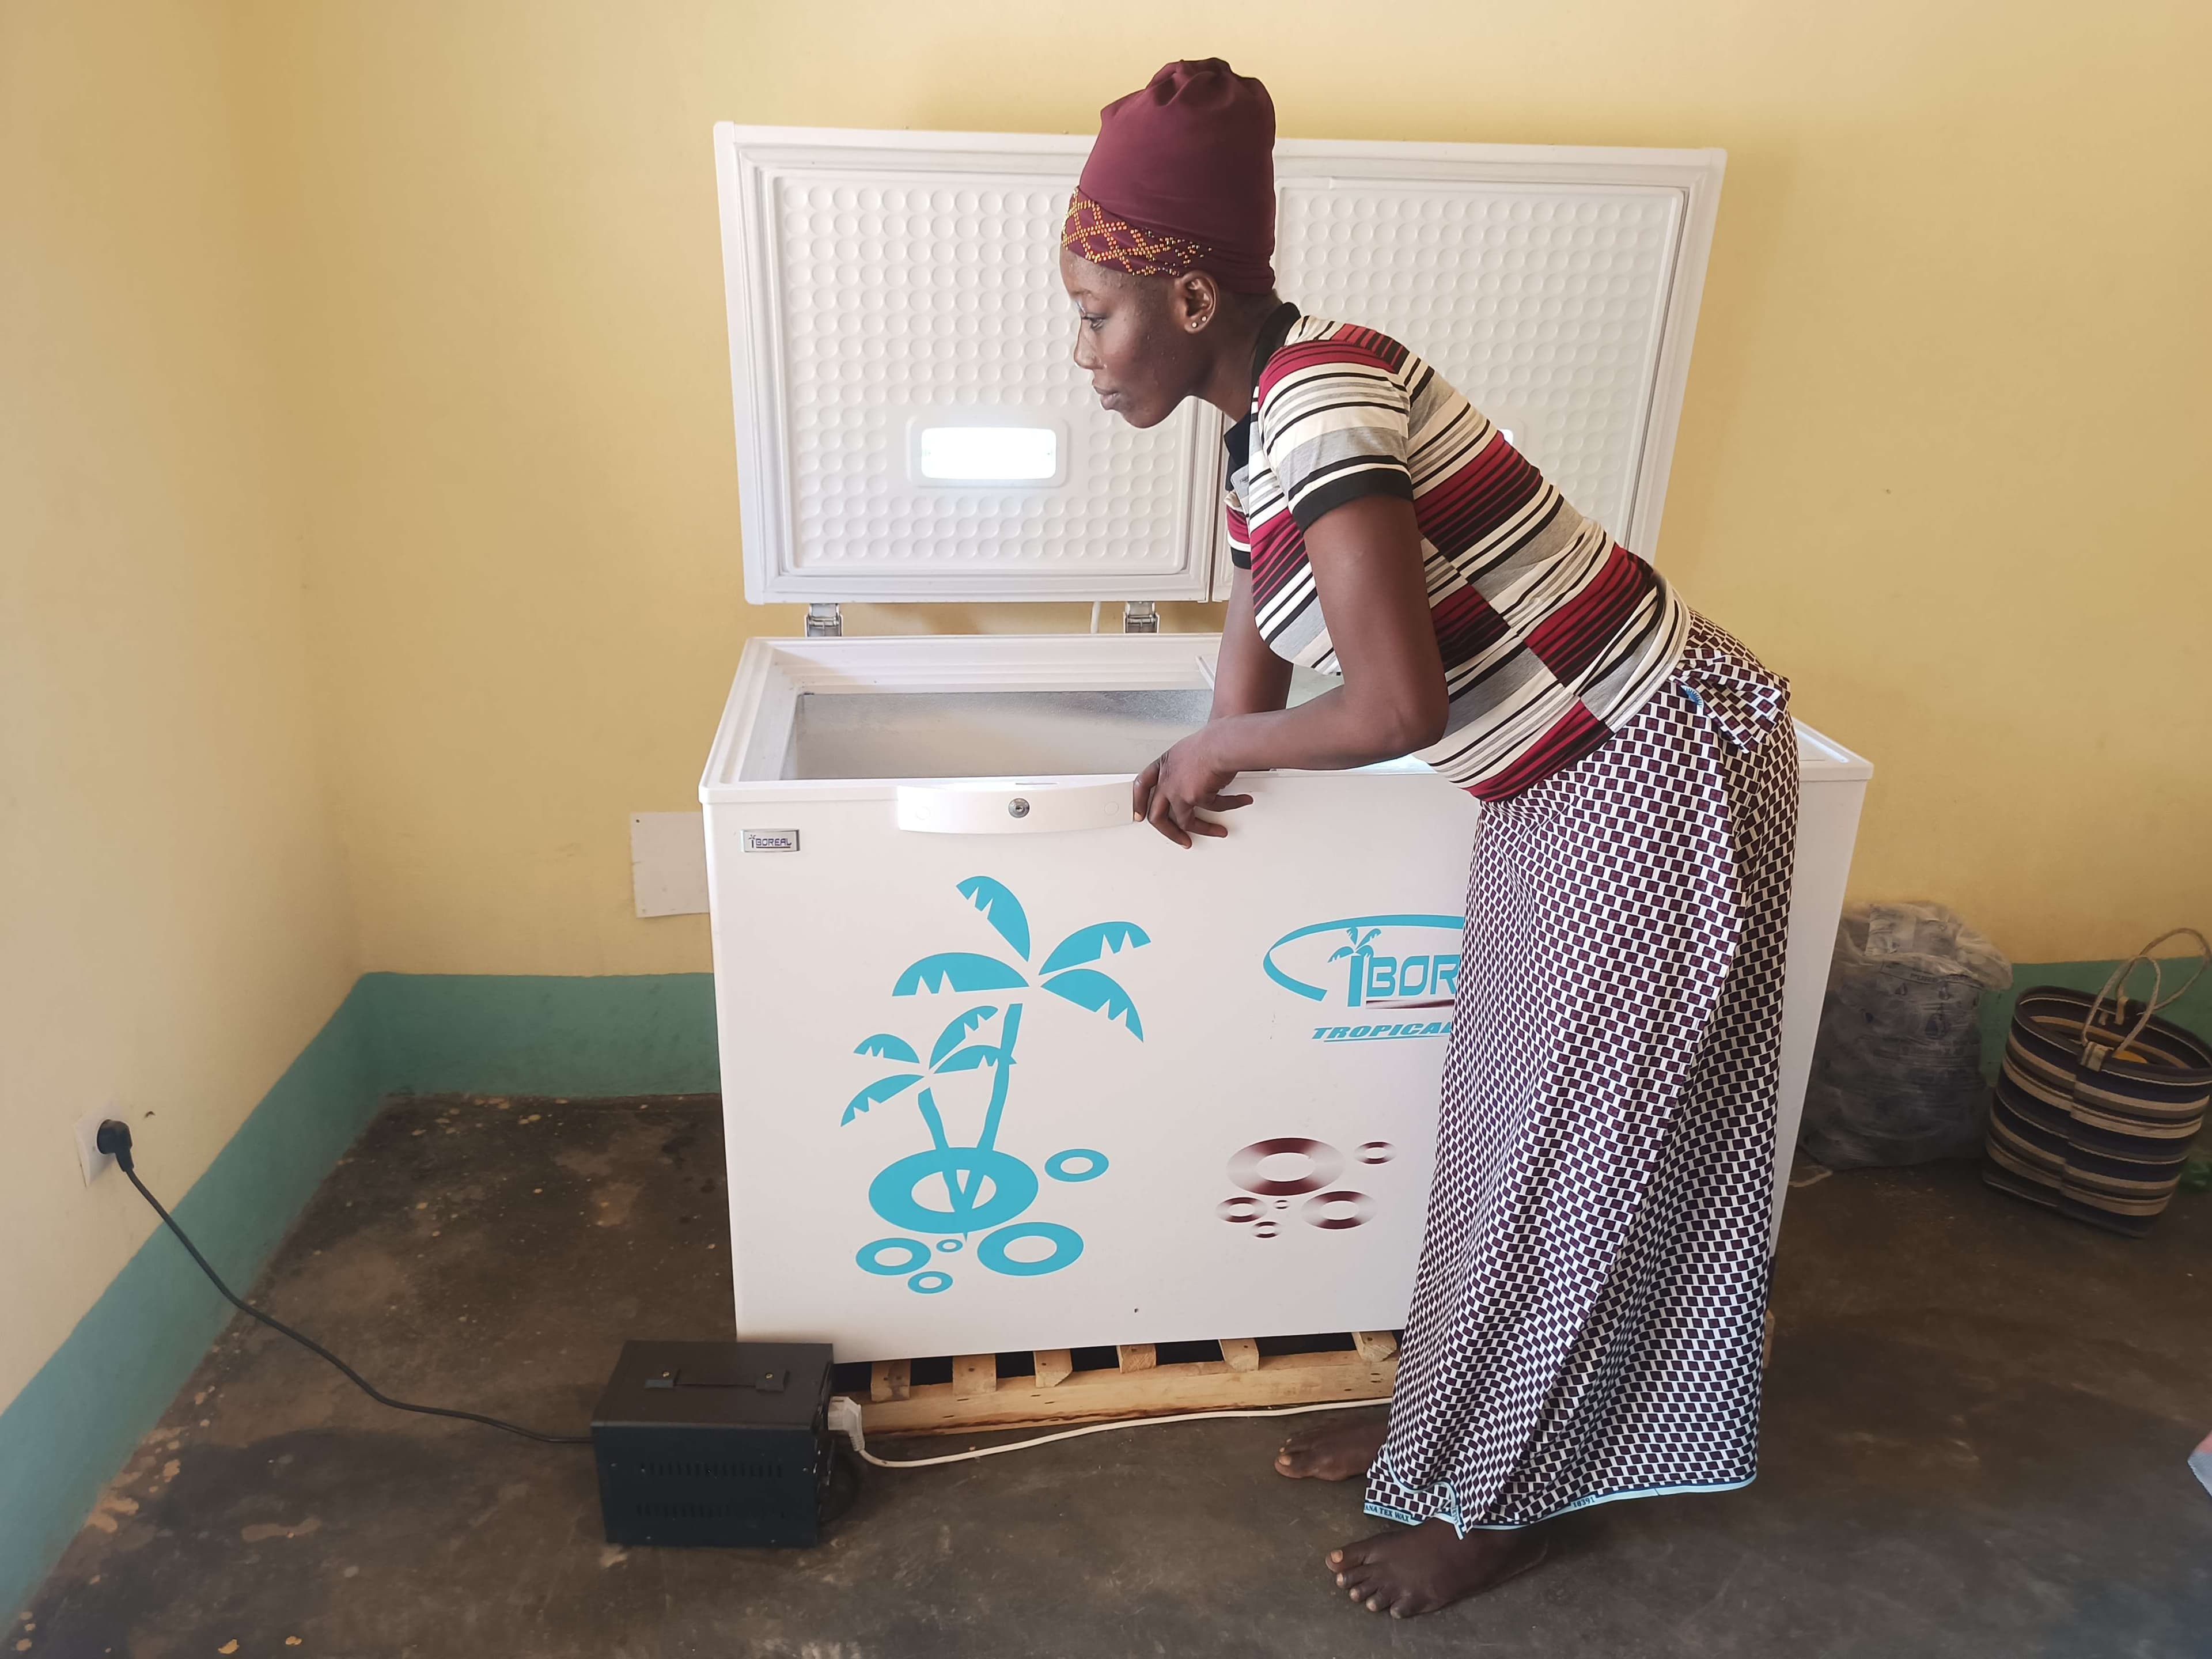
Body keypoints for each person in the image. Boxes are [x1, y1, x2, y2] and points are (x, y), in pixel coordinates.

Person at [1060, 60, 1800, 1619]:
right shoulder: (1262, 406)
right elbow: (1262, 611)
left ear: (1191, 292)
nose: (1085, 354)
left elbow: (1392, 703)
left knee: (1572, 1150)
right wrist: (1218, 746)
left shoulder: (1322, 404)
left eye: (1100, 312)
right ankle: (1444, 1422)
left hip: (1653, 758)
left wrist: (1214, 751)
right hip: (1568, 775)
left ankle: (1498, 1504)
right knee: (1497, 1132)